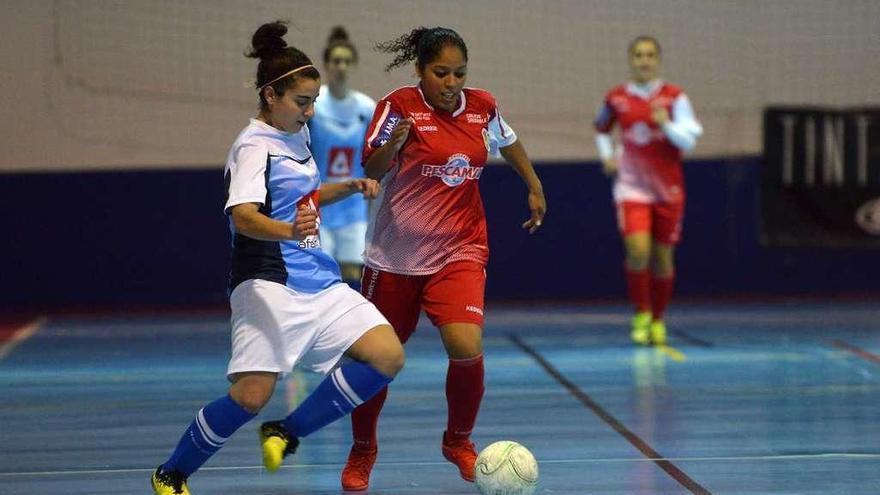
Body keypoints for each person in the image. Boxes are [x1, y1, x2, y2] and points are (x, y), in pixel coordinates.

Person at [150, 21, 404, 495]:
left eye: (313, 102)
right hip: (266, 281)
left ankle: (286, 432)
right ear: (271, 95)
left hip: (316, 278)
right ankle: (171, 474)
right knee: (251, 395)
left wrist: (346, 186)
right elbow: (244, 216)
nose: (309, 112)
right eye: (301, 102)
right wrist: (289, 230)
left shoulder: (296, 137)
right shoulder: (253, 148)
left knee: (386, 355)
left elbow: (301, 198)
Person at [340, 26, 547, 491]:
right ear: (420, 70)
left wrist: (533, 184)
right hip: (394, 257)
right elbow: (370, 168)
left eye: (459, 73)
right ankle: (363, 449)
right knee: (377, 361)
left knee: (466, 347)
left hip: (459, 249)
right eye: (440, 73)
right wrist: (396, 143)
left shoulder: (482, 107)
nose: (451, 82)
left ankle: (458, 441)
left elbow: (507, 140)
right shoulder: (397, 106)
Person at [593, 36, 703, 346]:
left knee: (662, 259)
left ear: (658, 59)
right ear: (630, 59)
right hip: (632, 187)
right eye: (639, 55)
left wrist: (666, 125)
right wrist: (607, 155)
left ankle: (658, 319)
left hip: (668, 189)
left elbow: (689, 141)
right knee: (638, 252)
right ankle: (641, 313)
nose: (644, 60)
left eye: (650, 55)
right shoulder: (616, 98)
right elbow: (601, 129)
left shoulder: (674, 97)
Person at [309, 26, 376, 289]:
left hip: (353, 207)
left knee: (352, 273)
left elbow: (377, 154)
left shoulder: (365, 107)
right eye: (336, 61)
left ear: (354, 64)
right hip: (318, 204)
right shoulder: (315, 104)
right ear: (326, 64)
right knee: (319, 270)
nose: (341, 67)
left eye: (347, 61)